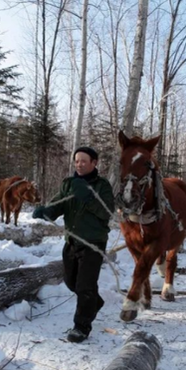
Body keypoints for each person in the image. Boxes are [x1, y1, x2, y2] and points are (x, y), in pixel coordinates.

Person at [32, 147, 115, 343]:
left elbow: (107, 212)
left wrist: (87, 198)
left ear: (94, 163)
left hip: (93, 244)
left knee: (85, 286)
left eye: (84, 161)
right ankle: (94, 302)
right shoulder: (69, 184)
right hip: (71, 242)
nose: (79, 164)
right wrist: (46, 212)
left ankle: (81, 327)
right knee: (71, 283)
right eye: (77, 161)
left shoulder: (102, 186)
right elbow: (59, 204)